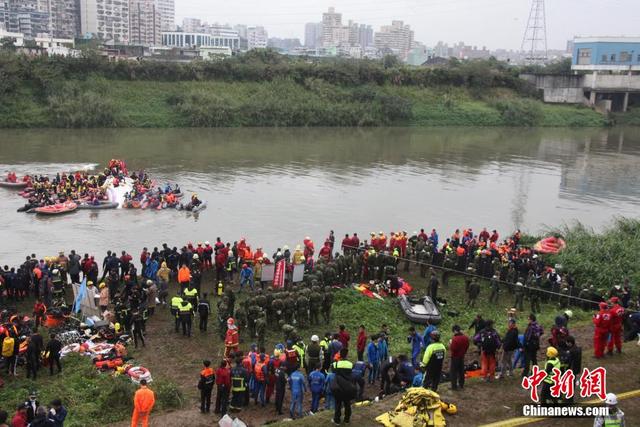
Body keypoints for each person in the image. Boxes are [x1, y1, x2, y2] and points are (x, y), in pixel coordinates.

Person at [332, 348, 355, 425]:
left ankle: (337, 420)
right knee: (347, 403)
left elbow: (333, 371)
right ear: (347, 355)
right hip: (348, 387)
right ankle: (347, 419)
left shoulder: (335, 364)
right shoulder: (350, 364)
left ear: (340, 355)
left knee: (338, 404)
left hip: (338, 387)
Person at [449, 325, 469, 390]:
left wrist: (450, 344)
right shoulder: (465, 337)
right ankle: (461, 384)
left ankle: (454, 386)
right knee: (461, 371)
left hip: (455, 357)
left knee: (453, 372)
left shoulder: (454, 339)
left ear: (455, 331)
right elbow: (467, 346)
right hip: (462, 356)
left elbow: (453, 349)